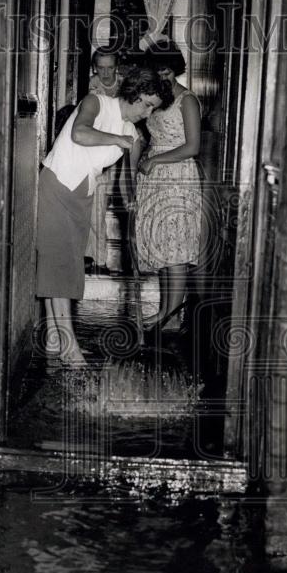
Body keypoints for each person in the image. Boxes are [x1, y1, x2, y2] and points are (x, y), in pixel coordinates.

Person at [35, 67, 168, 366]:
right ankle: (70, 348)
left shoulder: (132, 133)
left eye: (153, 109)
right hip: (58, 183)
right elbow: (79, 133)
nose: (147, 114)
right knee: (61, 264)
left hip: (83, 193)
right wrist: (116, 139)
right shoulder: (95, 102)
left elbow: (126, 177)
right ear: (134, 93)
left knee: (65, 264)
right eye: (146, 104)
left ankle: (55, 338)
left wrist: (131, 200)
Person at [132, 40, 203, 333]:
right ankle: (166, 311)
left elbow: (193, 147)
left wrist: (156, 159)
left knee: (177, 248)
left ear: (174, 70)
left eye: (166, 70)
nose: (162, 76)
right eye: (157, 70)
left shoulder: (187, 100)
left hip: (178, 177)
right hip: (157, 176)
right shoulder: (158, 98)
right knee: (164, 246)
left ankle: (172, 315)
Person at [86, 46, 124, 273]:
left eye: (110, 68)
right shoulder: (92, 85)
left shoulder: (124, 86)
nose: (106, 73)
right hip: (97, 151)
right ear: (95, 68)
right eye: (101, 68)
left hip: (120, 152)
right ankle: (97, 259)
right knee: (96, 205)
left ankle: (100, 258)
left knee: (109, 202)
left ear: (116, 68)